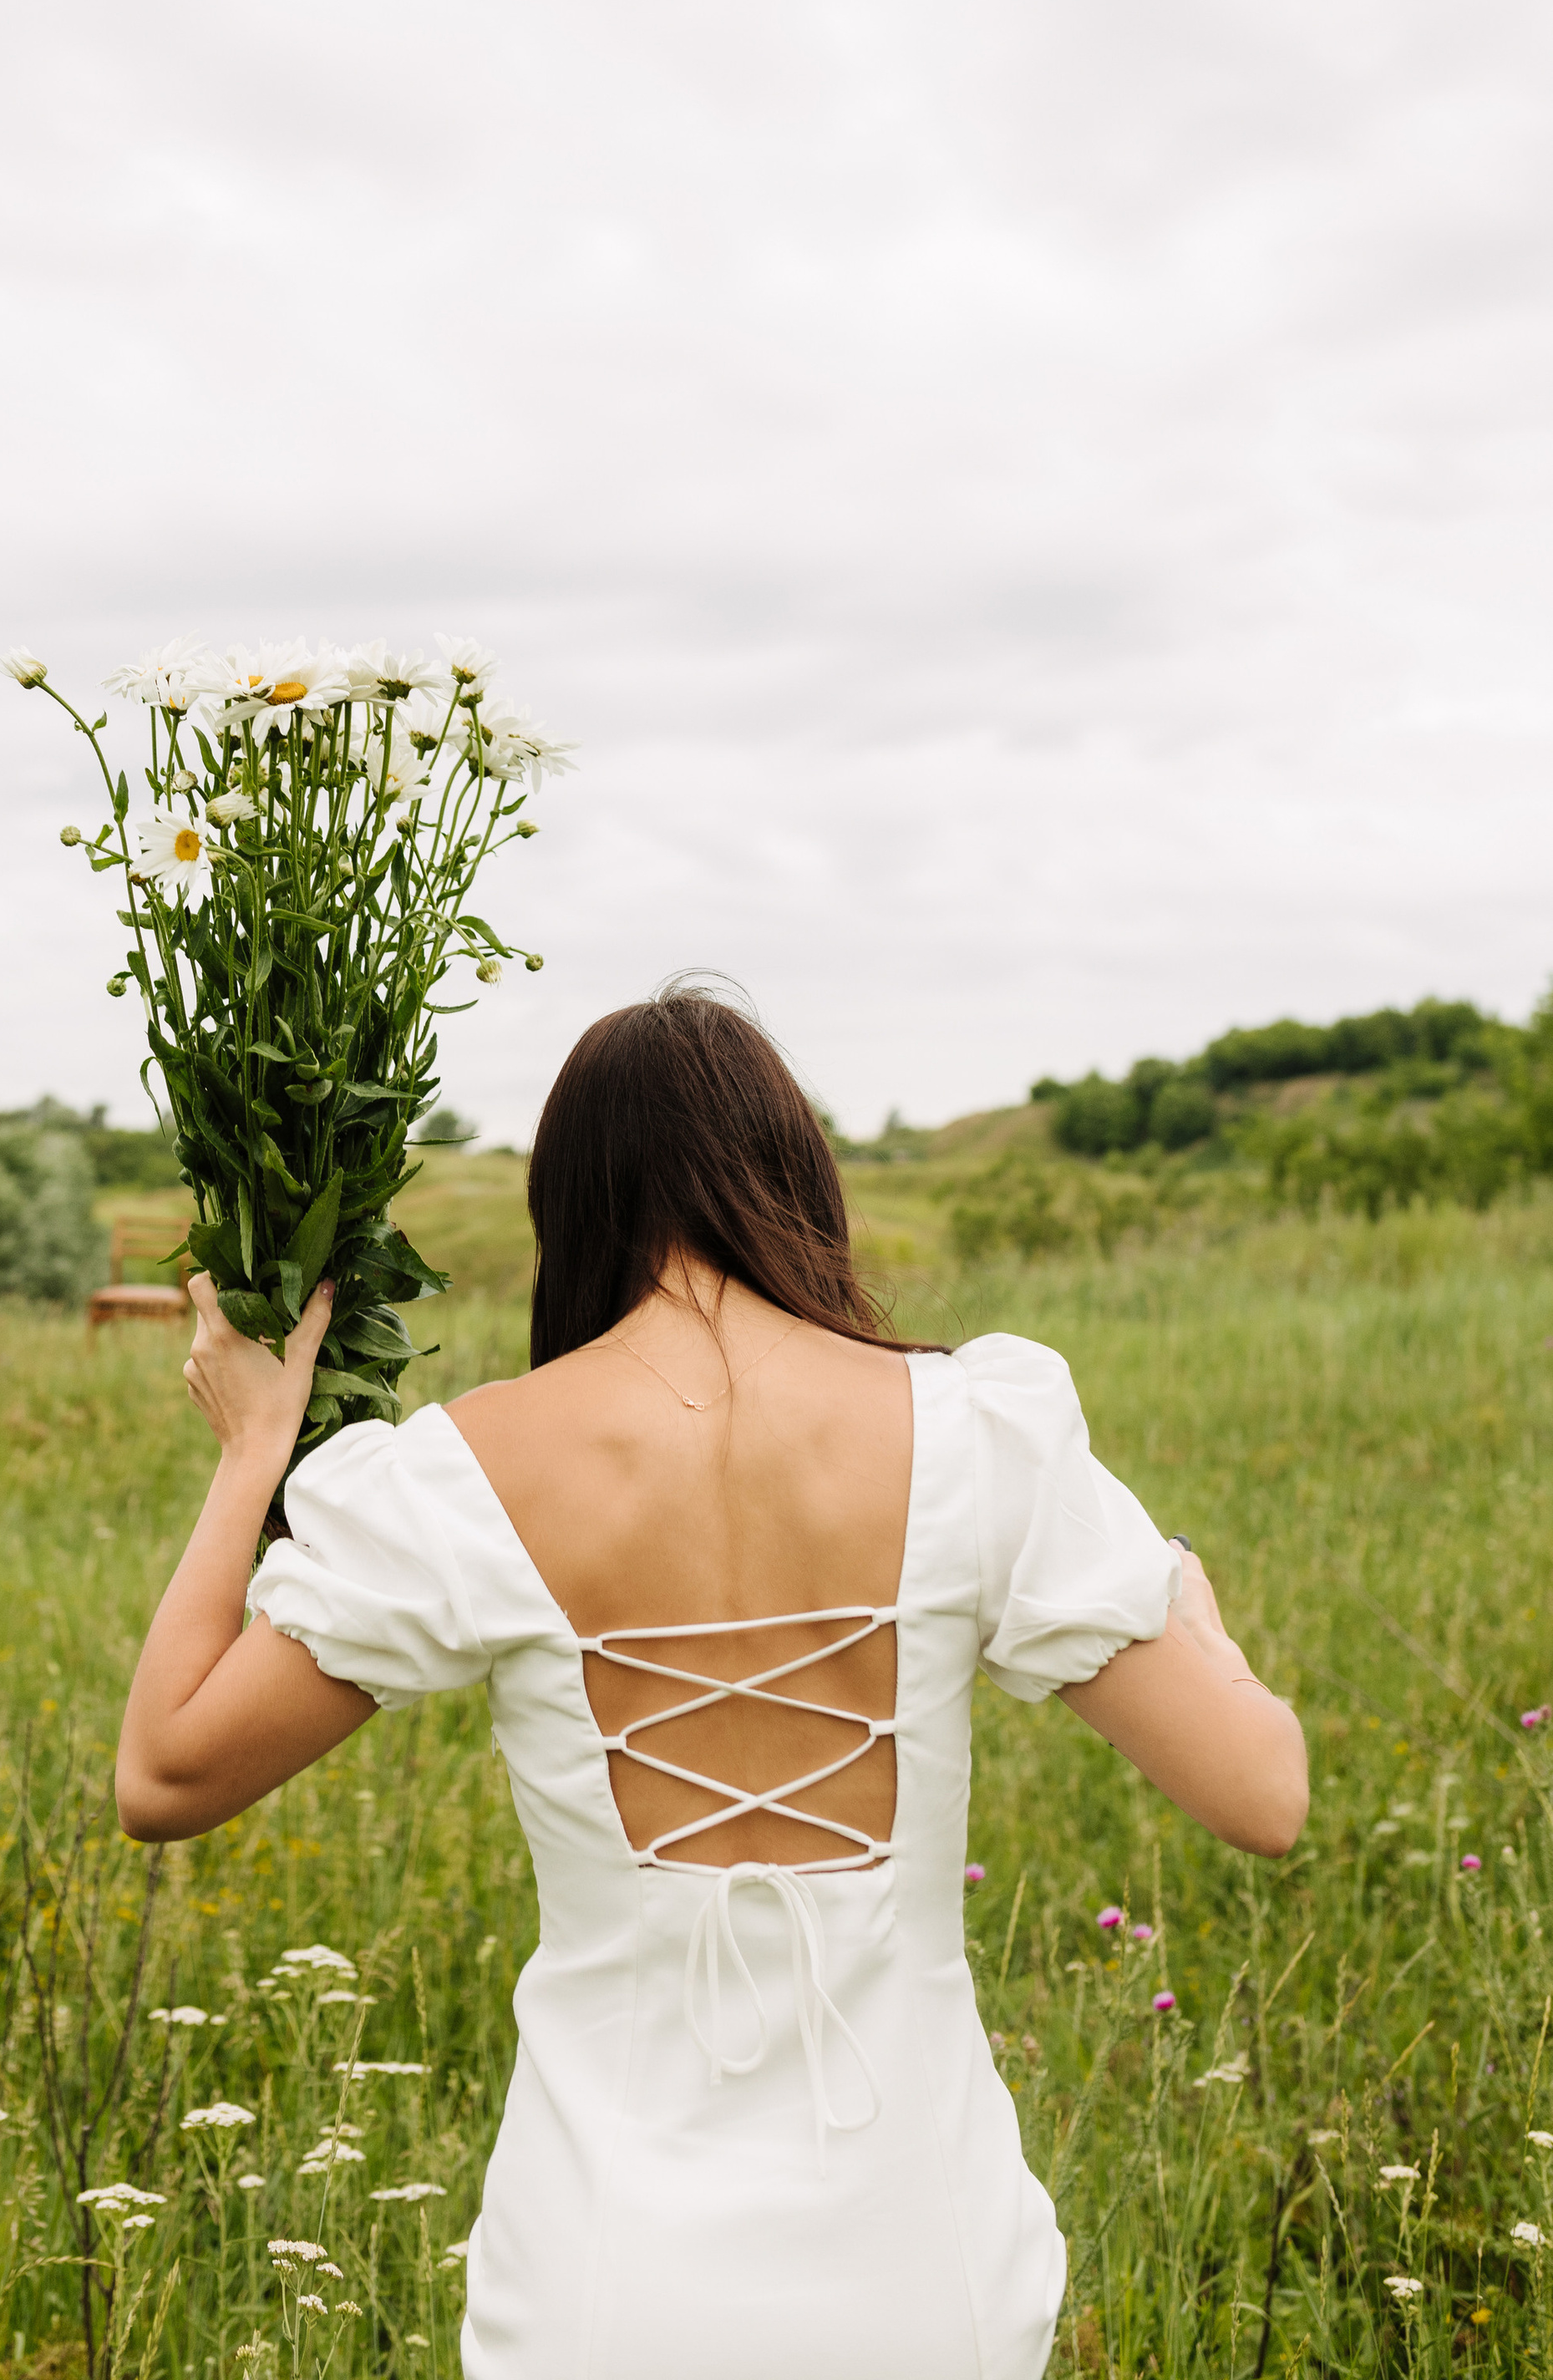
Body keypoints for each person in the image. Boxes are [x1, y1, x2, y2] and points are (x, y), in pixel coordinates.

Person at [114, 987, 1307, 2380]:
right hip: (926, 2269)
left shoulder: (473, 1470)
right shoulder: (976, 1433)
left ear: (571, 1209)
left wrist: (252, 1451)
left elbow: (163, 1774)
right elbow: (1264, 1795)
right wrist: (1196, 1615)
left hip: (605, 2281)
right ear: (795, 1175)